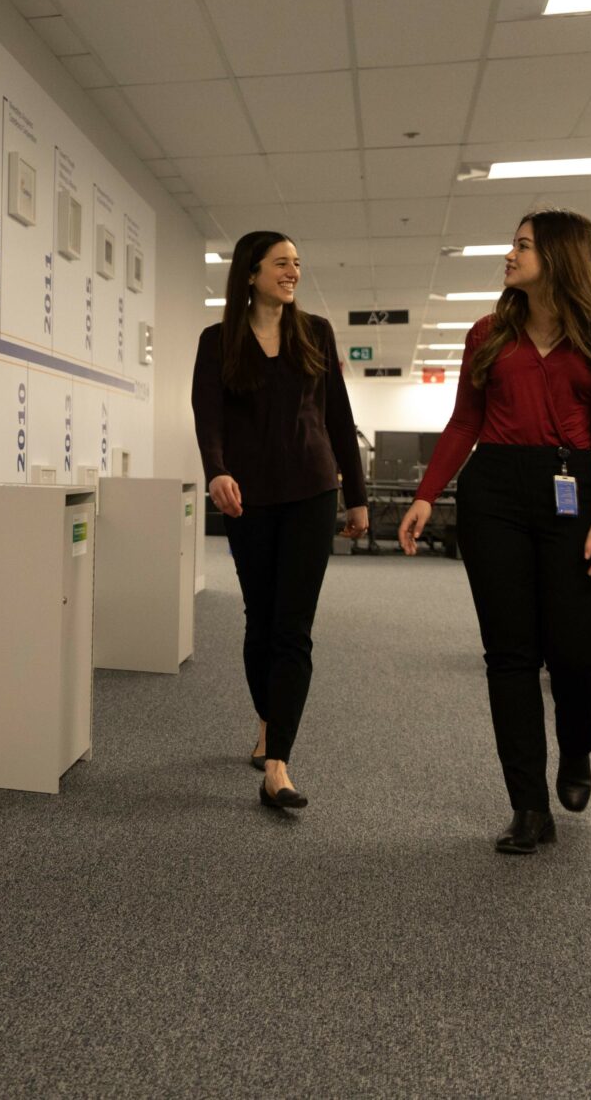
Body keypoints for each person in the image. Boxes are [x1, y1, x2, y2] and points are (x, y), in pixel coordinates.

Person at [396, 209, 591, 855]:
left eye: (523, 246)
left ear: (560, 256)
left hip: (574, 491)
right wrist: (426, 495)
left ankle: (577, 748)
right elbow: (464, 422)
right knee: (509, 656)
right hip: (495, 492)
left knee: (578, 655)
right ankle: (528, 806)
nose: (509, 255)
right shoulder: (488, 333)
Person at [192, 231, 369, 812]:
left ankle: (278, 765)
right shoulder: (218, 340)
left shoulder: (315, 331)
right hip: (248, 496)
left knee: (293, 626)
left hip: (311, 491)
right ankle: (268, 721)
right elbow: (207, 415)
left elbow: (338, 415)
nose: (293, 272)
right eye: (281, 263)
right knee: (261, 620)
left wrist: (357, 496)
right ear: (250, 273)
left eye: (297, 263)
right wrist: (216, 471)